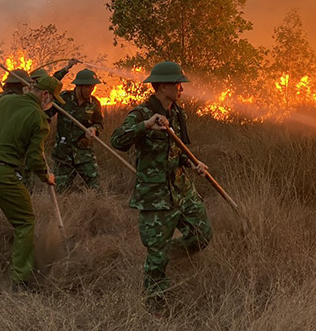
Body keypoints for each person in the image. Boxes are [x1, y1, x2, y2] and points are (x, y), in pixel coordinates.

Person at [110, 61, 212, 311]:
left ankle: (170, 255)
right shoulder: (142, 113)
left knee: (202, 234)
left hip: (182, 190)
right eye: (177, 84)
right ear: (163, 86)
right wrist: (146, 126)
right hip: (155, 196)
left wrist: (193, 162)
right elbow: (117, 140)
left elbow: (179, 150)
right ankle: (156, 308)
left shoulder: (177, 113)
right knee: (156, 259)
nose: (181, 88)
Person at [0, 74, 62, 294]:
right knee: (25, 222)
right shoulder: (39, 118)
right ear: (45, 94)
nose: (52, 104)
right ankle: (19, 282)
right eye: (53, 99)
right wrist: (45, 175)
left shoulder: (4, 100)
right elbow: (34, 158)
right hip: (2, 173)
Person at [52, 69, 104, 192]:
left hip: (84, 153)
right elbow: (46, 114)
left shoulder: (94, 103)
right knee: (60, 191)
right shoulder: (63, 98)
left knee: (96, 189)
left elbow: (99, 124)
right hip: (63, 153)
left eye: (92, 87)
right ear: (78, 86)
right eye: (87, 87)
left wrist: (94, 130)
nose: (90, 90)